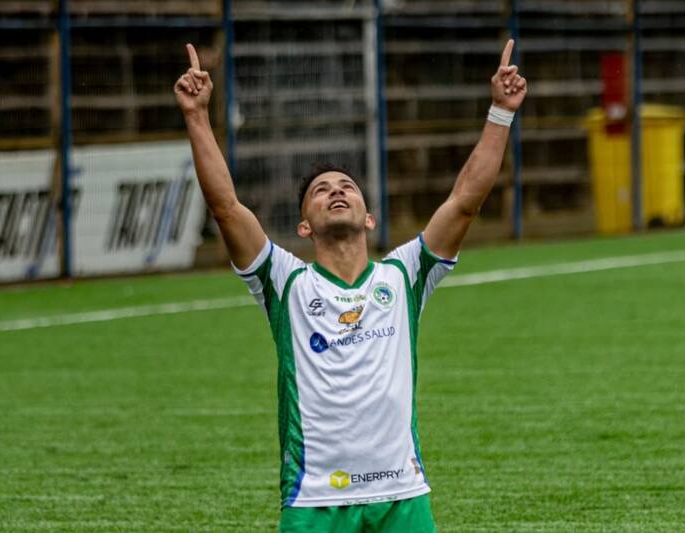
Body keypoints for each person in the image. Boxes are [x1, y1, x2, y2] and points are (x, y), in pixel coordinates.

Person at [175, 39, 527, 533]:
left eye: (347, 187)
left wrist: (501, 113)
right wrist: (196, 115)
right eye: (321, 190)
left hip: (402, 494)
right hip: (314, 497)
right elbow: (227, 207)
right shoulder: (284, 282)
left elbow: (465, 201)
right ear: (304, 227)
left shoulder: (403, 275)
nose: (335, 191)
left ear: (368, 217)